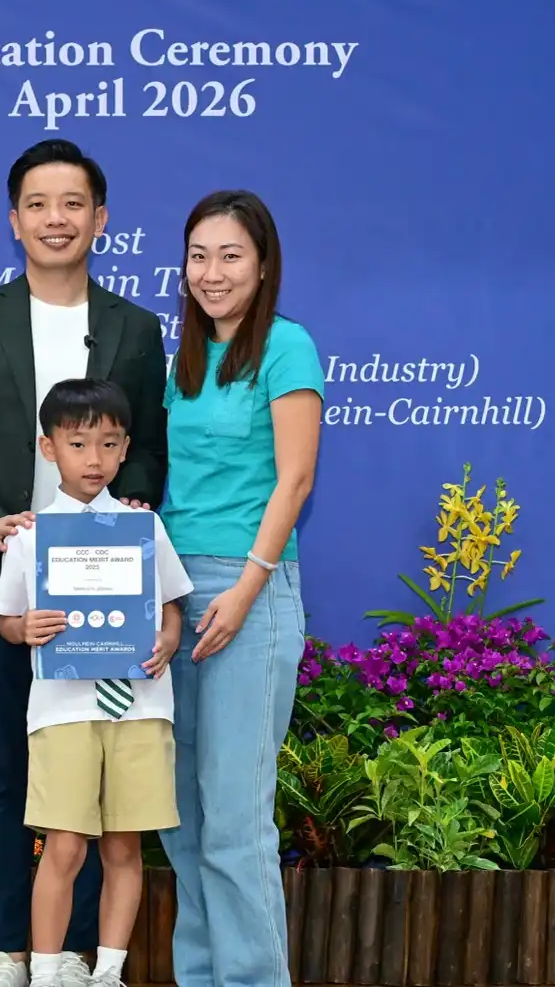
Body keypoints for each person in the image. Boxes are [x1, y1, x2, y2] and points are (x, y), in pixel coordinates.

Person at [0, 139, 169, 987]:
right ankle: (9, 948)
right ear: (14, 220)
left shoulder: (136, 328)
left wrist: (128, 508)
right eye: (37, 204)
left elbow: (148, 449)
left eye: (72, 204)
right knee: (2, 768)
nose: (55, 219)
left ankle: (77, 956)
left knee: (93, 778)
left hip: (103, 588)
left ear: (101, 219)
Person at [157, 190, 324, 987]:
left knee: (232, 820)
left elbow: (295, 480)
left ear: (262, 266)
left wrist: (248, 587)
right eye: (199, 256)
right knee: (182, 821)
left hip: (248, 594)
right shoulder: (183, 360)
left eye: (230, 256)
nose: (212, 272)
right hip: (176, 595)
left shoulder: (288, 346)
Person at [0, 379, 192, 987]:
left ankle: (107, 972)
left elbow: (173, 603)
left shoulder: (143, 527)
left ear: (126, 448)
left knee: (125, 846)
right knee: (65, 845)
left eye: (108, 444)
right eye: (78, 444)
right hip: (63, 712)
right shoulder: (30, 536)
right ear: (49, 448)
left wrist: (170, 637)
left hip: (140, 708)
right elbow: (7, 621)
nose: (94, 459)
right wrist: (24, 627)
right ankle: (47, 972)